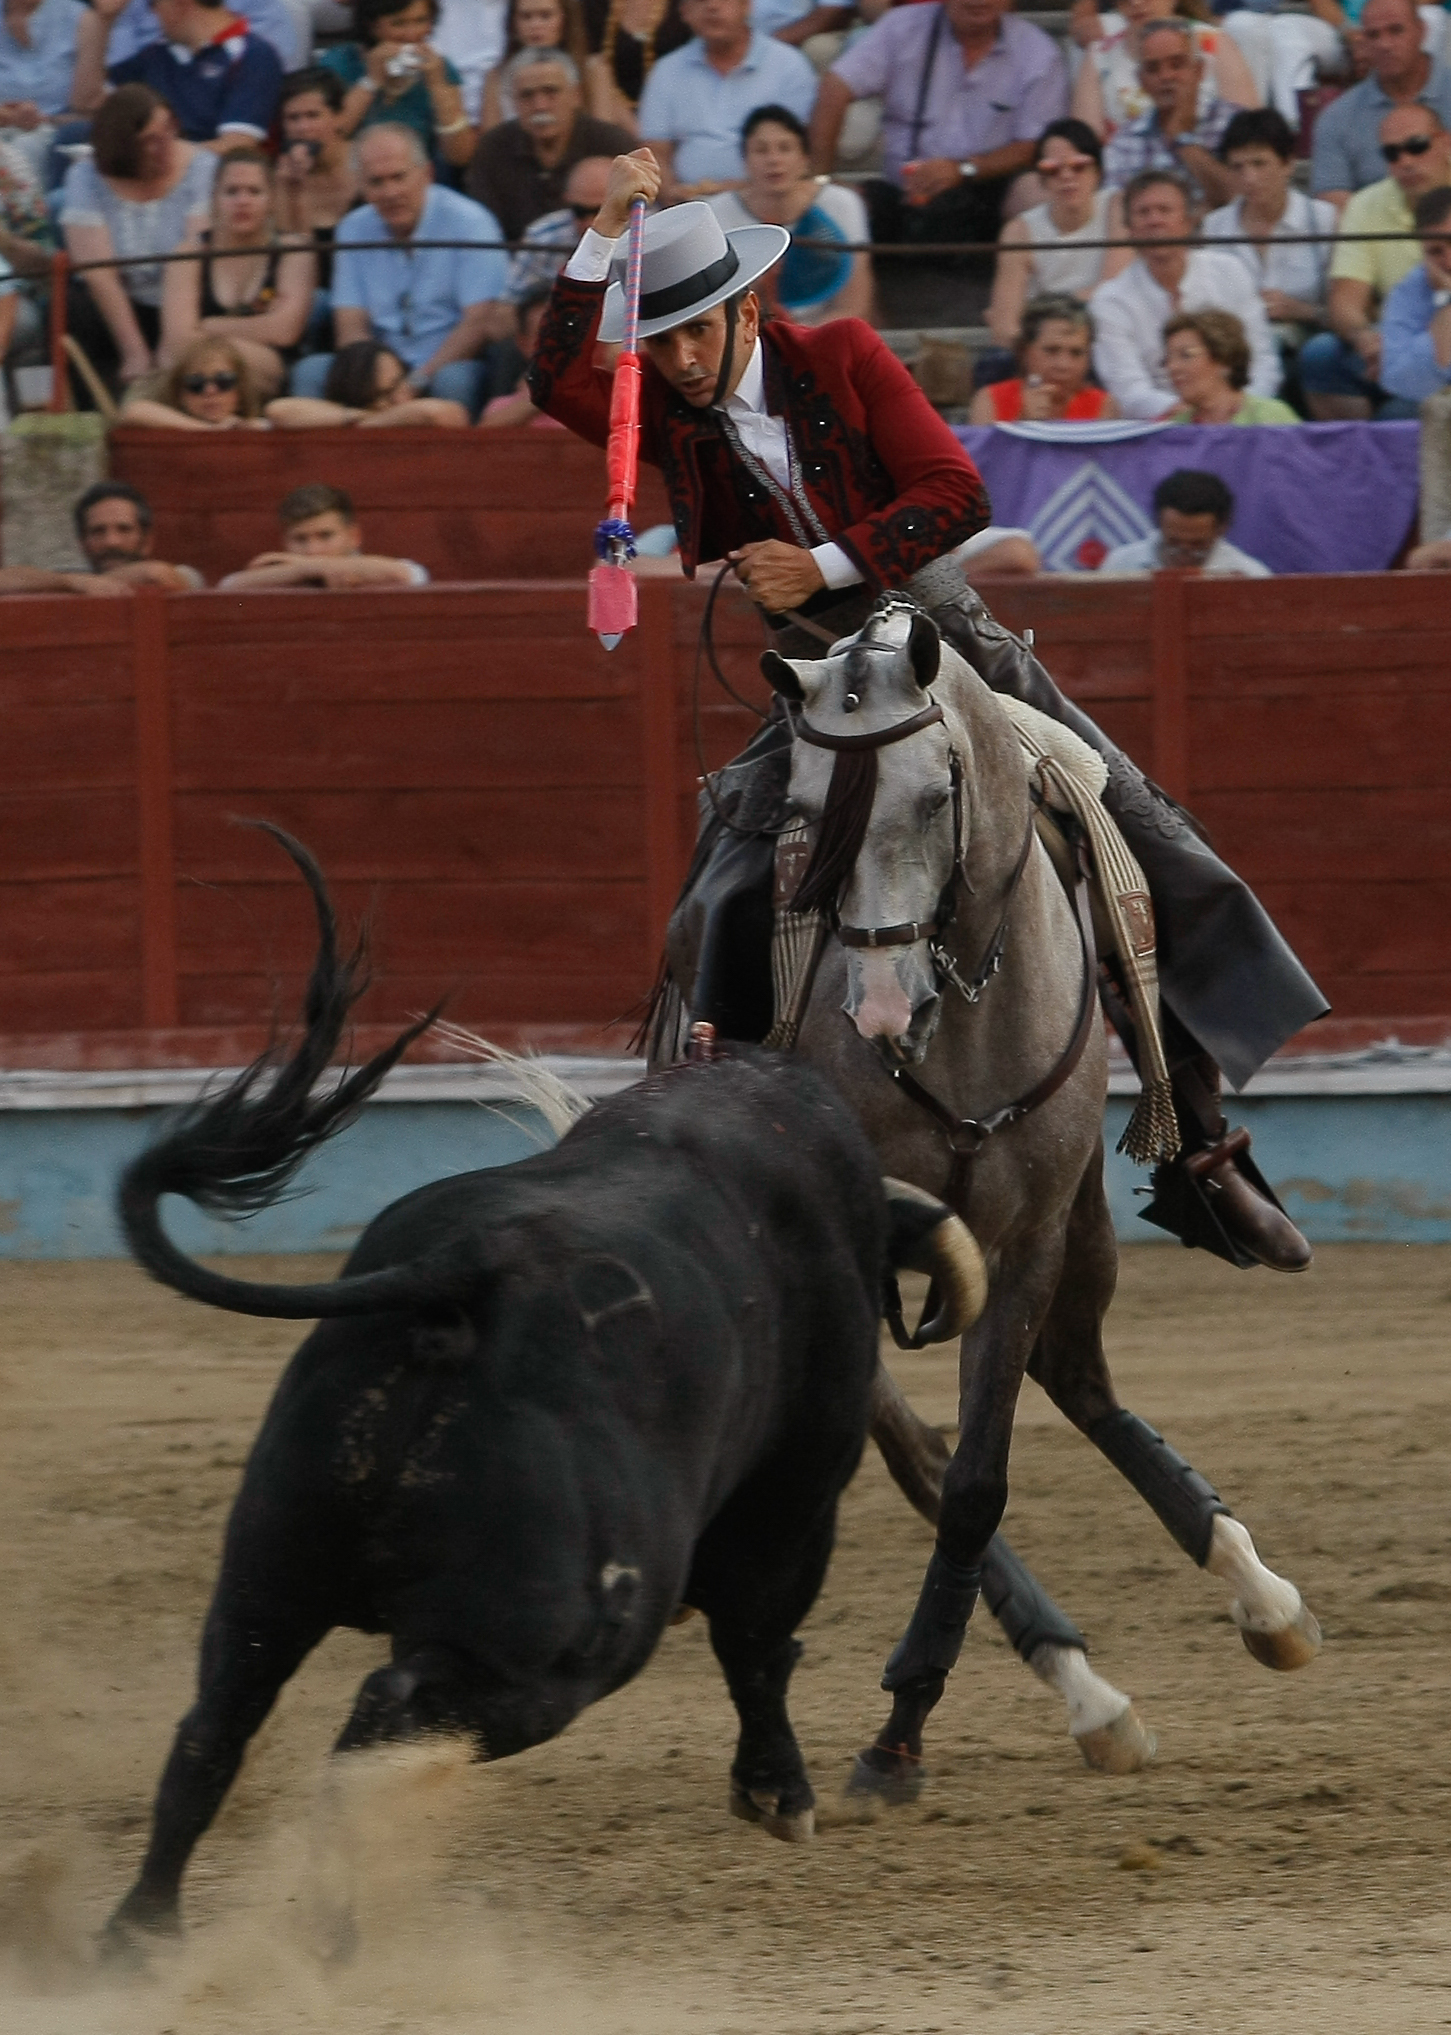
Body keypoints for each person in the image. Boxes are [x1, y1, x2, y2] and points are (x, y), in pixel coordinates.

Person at [529, 147, 1325, 1271]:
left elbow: (958, 494)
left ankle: (1199, 1147)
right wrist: (603, 228)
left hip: (948, 646)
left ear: (747, 309)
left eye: (697, 329)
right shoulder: (666, 409)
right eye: (657, 340)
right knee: (719, 888)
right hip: (815, 678)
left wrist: (818, 561)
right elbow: (554, 379)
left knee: (1139, 838)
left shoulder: (844, 354)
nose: (679, 357)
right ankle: (722, 1152)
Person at [810, 0, 1067, 252]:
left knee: (1035, 191)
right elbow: (835, 88)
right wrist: (821, 179)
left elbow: (1035, 145)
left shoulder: (1037, 52)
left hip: (988, 194)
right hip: (903, 196)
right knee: (835, 203)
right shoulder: (902, 28)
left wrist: (963, 170)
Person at [293, 124, 510, 418]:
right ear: (361, 187)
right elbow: (351, 323)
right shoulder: (352, 228)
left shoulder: (470, 223)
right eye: (376, 182)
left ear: (427, 174)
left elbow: (478, 323)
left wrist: (417, 381)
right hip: (378, 365)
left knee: (455, 380)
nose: (390, 192)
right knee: (311, 372)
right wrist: (372, 379)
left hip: (446, 360)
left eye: (398, 177)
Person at [1089, 167, 1280, 417]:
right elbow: (1129, 390)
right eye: (1143, 213)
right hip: (1159, 429)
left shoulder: (1230, 272)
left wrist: (1239, 410)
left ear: (1188, 223)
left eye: (1165, 210)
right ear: (1130, 229)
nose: (1154, 220)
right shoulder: (1109, 301)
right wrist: (1190, 417)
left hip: (1241, 418)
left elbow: (1263, 361)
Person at [61, 84, 216, 391]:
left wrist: (169, 348)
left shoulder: (202, 167)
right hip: (123, 303)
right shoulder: (86, 176)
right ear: (124, 146)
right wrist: (135, 353)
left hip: (184, 304)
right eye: (150, 141)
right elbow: (99, 274)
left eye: (168, 131)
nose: (165, 145)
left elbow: (191, 258)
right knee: (72, 304)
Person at [1300, 101, 1451, 413]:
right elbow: (1344, 301)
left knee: (1400, 408)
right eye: (1392, 154)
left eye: (1417, 146)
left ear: (1446, 143)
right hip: (1399, 334)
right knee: (1320, 356)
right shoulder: (1366, 205)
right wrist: (1365, 338)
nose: (1405, 161)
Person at [159, 147, 313, 399]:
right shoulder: (187, 253)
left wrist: (209, 325)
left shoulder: (294, 251)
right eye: (231, 191)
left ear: (272, 199)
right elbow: (177, 339)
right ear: (214, 199)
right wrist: (255, 330)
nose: (243, 201)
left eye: (254, 191)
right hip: (195, 378)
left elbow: (285, 331)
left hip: (268, 378)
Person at [706, 103, 870, 325]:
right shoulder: (716, 214)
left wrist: (805, 342)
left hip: (826, 333)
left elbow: (854, 304)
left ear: (805, 160)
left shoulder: (841, 204)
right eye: (761, 150)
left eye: (785, 148)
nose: (774, 160)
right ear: (745, 161)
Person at [638, 0, 817, 202]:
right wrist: (670, 193)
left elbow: (795, 152)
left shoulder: (789, 66)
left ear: (746, 6)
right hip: (686, 204)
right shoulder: (667, 71)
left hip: (765, 202)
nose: (712, 6)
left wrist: (733, 194)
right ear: (684, 12)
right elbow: (656, 150)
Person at [986, 119, 1130, 350]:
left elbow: (1112, 288)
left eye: (1078, 166)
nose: (1066, 176)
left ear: (1098, 172)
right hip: (1043, 348)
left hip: (1104, 336)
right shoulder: (1020, 231)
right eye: (1053, 170)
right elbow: (1004, 326)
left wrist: (1036, 311)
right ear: (1041, 179)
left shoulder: (1117, 207)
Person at [465, 47, 635, 237]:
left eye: (551, 92)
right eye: (527, 95)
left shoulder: (612, 145)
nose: (540, 105)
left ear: (576, 95)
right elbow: (483, 228)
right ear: (513, 102)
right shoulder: (493, 150)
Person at [74, 0, 286, 150]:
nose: (153, 12)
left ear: (179, 3)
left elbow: (236, 145)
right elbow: (88, 103)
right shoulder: (156, 54)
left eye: (154, 3)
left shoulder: (253, 55)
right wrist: (103, 21)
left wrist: (154, 157)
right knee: (75, 134)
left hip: (211, 187)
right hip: (151, 176)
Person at [1201, 108, 1338, 334]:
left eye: (1259, 164)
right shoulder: (1215, 226)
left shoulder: (1324, 219)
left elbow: (1347, 306)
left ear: (1288, 164)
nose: (1249, 178)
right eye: (1238, 167)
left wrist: (1301, 311)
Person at [1312, 0, 1451, 204]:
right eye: (1373, 35)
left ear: (1422, 31)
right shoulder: (1336, 119)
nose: (1384, 44)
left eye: (1396, 31)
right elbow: (1334, 203)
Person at [1101, 17, 1240, 211]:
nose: (1166, 76)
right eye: (1153, 69)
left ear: (1199, 70)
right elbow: (1119, 217)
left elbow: (1242, 199)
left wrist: (1183, 140)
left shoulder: (1234, 122)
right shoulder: (1124, 141)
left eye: (1177, 64)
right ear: (1141, 81)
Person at [322, 0, 477, 170]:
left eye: (421, 21)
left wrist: (438, 88)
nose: (411, 34)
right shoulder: (336, 64)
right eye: (398, 23)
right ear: (371, 25)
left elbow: (460, 156)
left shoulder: (439, 69)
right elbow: (327, 141)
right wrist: (371, 82)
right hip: (351, 178)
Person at [1071, 0, 1257, 141]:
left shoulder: (1214, 45)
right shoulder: (1100, 56)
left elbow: (1250, 132)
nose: (1136, 2)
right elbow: (1084, 145)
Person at [0, 480, 203, 591]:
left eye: (124, 530)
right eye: (98, 531)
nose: (111, 541)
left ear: (147, 541)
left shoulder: (187, 576)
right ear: (83, 543)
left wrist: (82, 584)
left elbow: (156, 574)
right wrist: (75, 582)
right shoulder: (71, 580)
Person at [220, 482, 433, 587]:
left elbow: (410, 575)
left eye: (325, 536)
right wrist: (308, 569)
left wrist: (305, 567)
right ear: (285, 541)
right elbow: (229, 586)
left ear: (354, 537)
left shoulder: (383, 570)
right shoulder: (279, 575)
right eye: (300, 539)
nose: (313, 550)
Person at [969, 293, 1121, 421]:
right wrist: (1024, 422)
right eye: (1051, 350)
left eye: (1076, 353)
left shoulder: (1104, 406)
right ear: (1024, 352)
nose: (1063, 365)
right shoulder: (990, 401)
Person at [1099, 466, 1272, 574]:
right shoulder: (1120, 565)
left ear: (1222, 528)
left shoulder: (1250, 574)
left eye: (1198, 544)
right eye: (1173, 542)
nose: (1184, 554)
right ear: (1158, 523)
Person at [273, 67, 361, 276]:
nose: (303, 128)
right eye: (293, 118)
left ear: (339, 116)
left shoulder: (368, 161)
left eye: (313, 116)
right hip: (307, 288)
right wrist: (290, 191)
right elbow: (289, 263)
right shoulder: (279, 177)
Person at [266, 336, 472, 422]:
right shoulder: (347, 417)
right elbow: (278, 410)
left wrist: (373, 420)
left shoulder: (419, 405)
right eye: (386, 395)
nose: (404, 394)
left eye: (400, 380)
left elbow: (439, 412)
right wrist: (365, 418)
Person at [1217, 0, 1344, 132]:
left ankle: (1293, 128)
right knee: (1240, 24)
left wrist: (1347, 33)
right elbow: (1219, 16)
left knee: (1286, 33)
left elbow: (1333, 15)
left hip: (1335, 31)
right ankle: (1251, 128)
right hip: (1270, 23)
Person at [0, 0, 88, 183]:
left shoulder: (77, 17)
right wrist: (8, 117)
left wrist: (45, 119)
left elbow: (96, 111)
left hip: (52, 129)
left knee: (23, 150)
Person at [503, 151, 609, 302]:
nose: (590, 223)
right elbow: (510, 302)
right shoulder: (542, 237)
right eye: (581, 212)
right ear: (567, 200)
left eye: (600, 212)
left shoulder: (645, 233)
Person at [1379, 182, 1451, 398]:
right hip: (1437, 404)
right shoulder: (1408, 290)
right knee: (1396, 412)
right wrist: (1445, 301)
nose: (1448, 261)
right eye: (1436, 251)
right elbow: (1399, 382)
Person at [1162, 307, 1299, 420]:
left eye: (1186, 355)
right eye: (1168, 359)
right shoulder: (1176, 429)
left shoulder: (1271, 417)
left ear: (1224, 359)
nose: (1172, 367)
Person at [119, 331, 271, 425]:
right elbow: (134, 411)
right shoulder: (167, 424)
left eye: (223, 381)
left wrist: (248, 425)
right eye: (196, 383)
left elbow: (282, 411)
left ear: (240, 390)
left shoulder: (252, 427)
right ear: (180, 395)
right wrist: (210, 431)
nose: (210, 390)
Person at [584, 0, 691, 132]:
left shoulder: (686, 7)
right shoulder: (593, 7)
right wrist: (635, 132)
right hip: (611, 112)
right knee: (597, 69)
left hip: (674, 114)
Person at [480, 0, 589, 128]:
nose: (535, 25)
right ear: (514, 24)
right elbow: (491, 140)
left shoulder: (591, 71)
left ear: (565, 20)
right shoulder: (496, 76)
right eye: (526, 17)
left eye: (545, 16)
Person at [480, 281, 568, 418]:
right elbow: (484, 434)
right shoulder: (500, 410)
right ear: (524, 344)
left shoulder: (606, 397)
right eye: (545, 336)